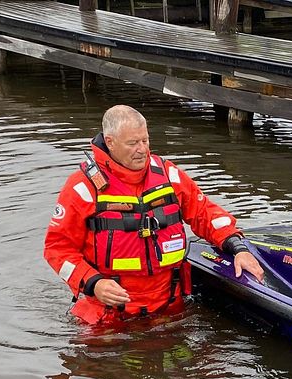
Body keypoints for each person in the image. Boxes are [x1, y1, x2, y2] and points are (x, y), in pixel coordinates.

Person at [44, 104, 264, 325]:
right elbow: (57, 249)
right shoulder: (82, 188)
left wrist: (238, 248)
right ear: (110, 142)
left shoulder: (168, 176)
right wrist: (93, 283)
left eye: (145, 141)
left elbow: (205, 213)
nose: (142, 149)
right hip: (110, 315)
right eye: (132, 143)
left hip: (172, 309)